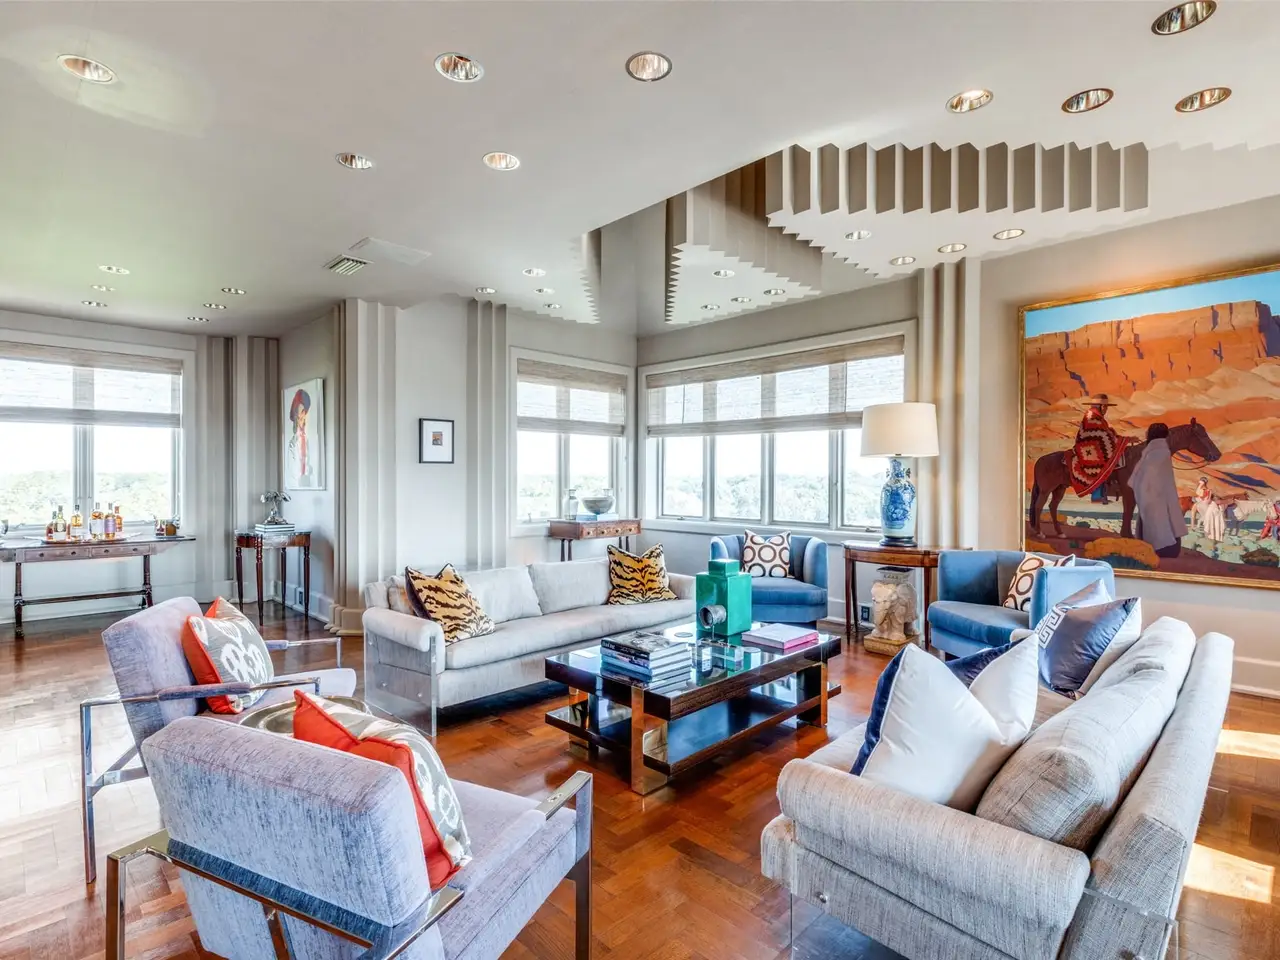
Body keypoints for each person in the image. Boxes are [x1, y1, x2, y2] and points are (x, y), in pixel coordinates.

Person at [1129, 422, 1187, 558]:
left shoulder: (1151, 452)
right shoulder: (1161, 452)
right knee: (1165, 524)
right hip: (1161, 498)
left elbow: (1137, 477)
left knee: (1151, 525)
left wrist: (1144, 492)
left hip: (1150, 497)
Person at [1067, 394, 1134, 501]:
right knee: (1101, 462)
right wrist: (1126, 440)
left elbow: (1104, 434)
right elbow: (1103, 435)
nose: (1106, 409)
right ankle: (1097, 495)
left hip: (1092, 446)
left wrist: (1113, 435)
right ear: (1101, 407)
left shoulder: (1096, 417)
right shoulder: (1092, 417)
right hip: (1087, 448)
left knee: (1106, 454)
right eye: (1105, 407)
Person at [287, 388, 313, 485]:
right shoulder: (292, 444)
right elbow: (292, 471)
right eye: (298, 415)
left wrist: (308, 471)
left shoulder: (309, 439)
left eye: (303, 412)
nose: (300, 417)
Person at [1190, 476, 1226, 542]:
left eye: (1201, 481)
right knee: (1193, 510)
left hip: (1203, 501)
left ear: (1203, 482)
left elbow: (1202, 495)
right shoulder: (1203, 488)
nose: (1199, 481)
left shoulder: (1205, 489)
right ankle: (1193, 525)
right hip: (1202, 501)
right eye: (1200, 481)